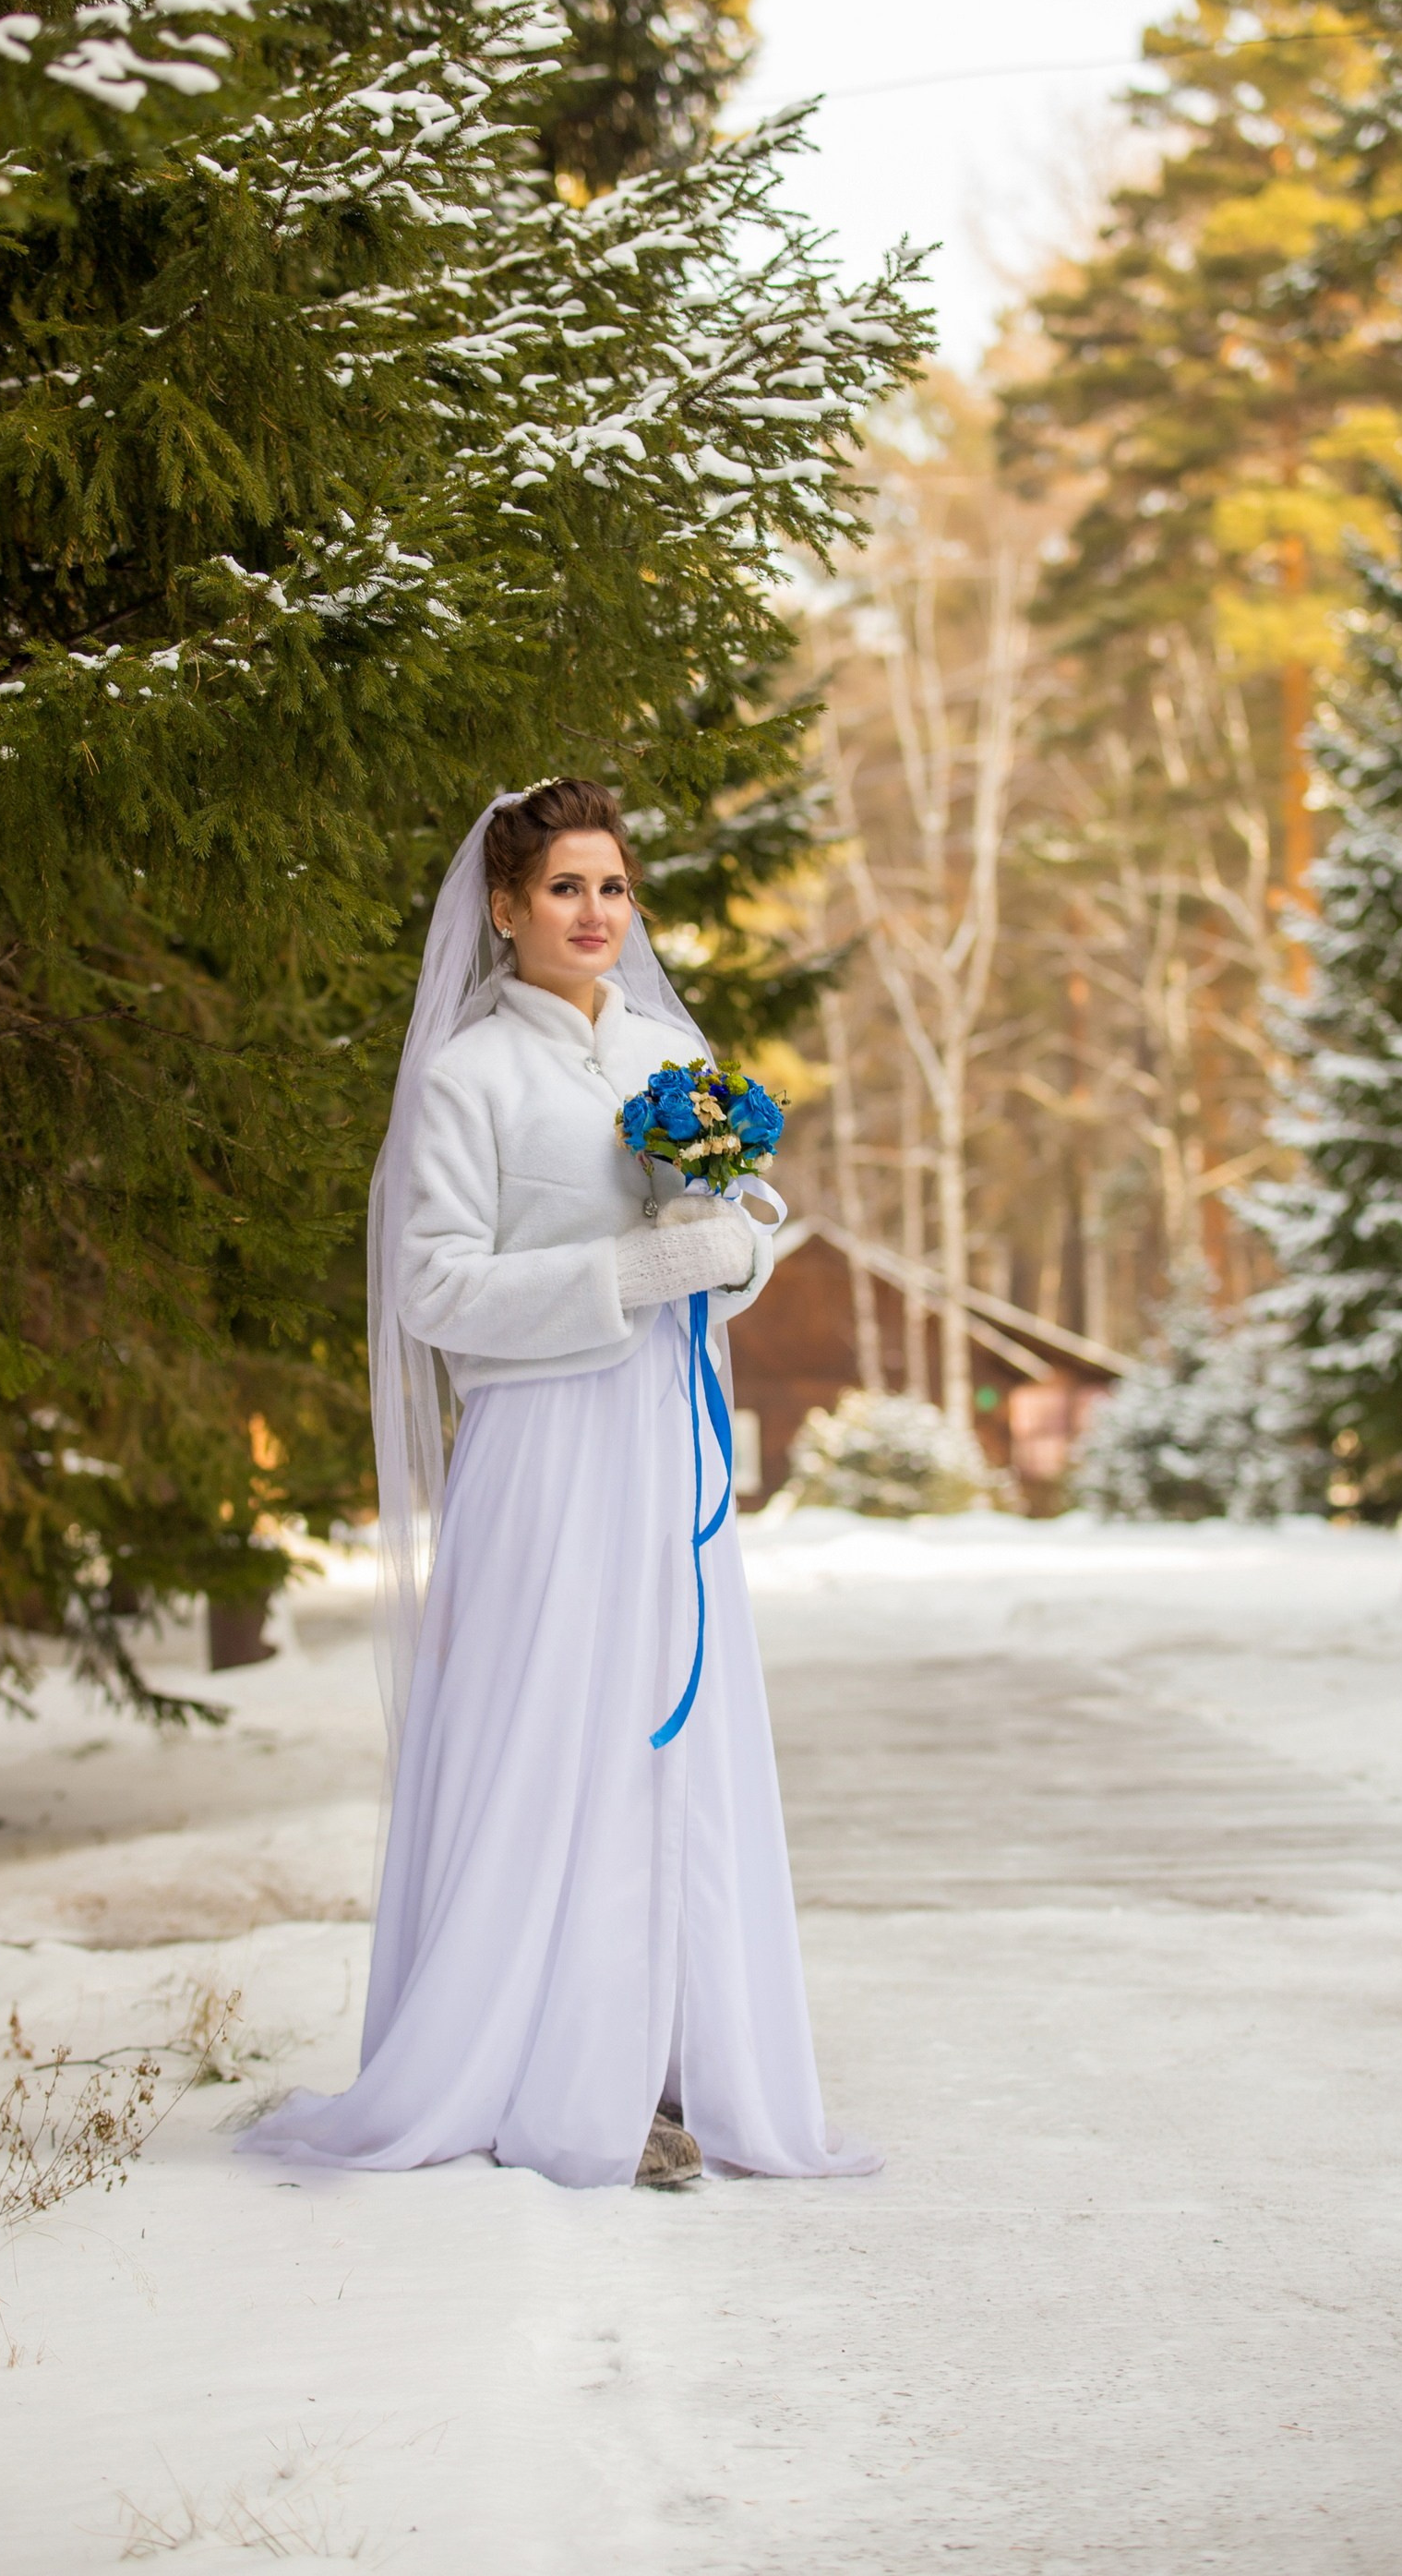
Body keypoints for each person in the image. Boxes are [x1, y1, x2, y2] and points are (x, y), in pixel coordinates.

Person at [238, 780, 875, 2190]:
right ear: (506, 908)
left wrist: (733, 1248)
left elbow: (729, 1226)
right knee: (553, 1731)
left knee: (673, 1731)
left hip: (665, 1437)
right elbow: (434, 1287)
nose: (596, 915)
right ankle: (540, 2066)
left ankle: (672, 2061)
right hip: (542, 1444)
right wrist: (635, 1271)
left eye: (614, 889)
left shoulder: (669, 1050)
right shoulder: (470, 1077)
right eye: (566, 890)